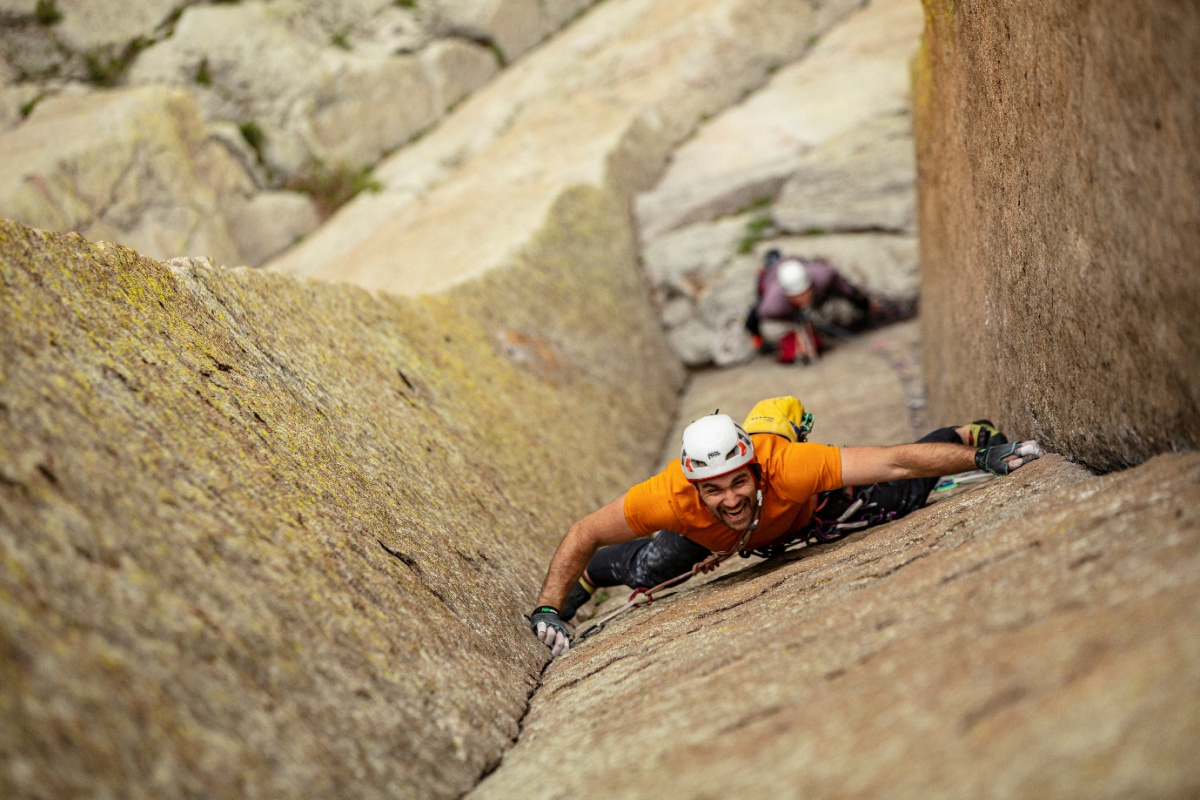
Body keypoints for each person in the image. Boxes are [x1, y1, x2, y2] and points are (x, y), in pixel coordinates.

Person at [528, 404, 1044, 657]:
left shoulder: (788, 466)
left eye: (738, 482)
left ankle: (964, 433)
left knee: (907, 495)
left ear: (754, 469)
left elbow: (894, 463)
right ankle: (590, 584)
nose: (729, 497)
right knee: (645, 567)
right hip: (709, 538)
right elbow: (585, 531)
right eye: (714, 488)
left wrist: (981, 456)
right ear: (693, 485)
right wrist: (549, 606)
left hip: (801, 511)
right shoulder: (667, 496)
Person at [743, 249, 903, 363]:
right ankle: (760, 343)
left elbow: (846, 289)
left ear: (811, 285)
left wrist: (866, 304)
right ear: (788, 296)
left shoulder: (824, 276)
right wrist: (761, 342)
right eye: (798, 297)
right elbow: (753, 319)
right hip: (774, 280)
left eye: (806, 293)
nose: (804, 298)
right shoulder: (772, 304)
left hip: (799, 263)